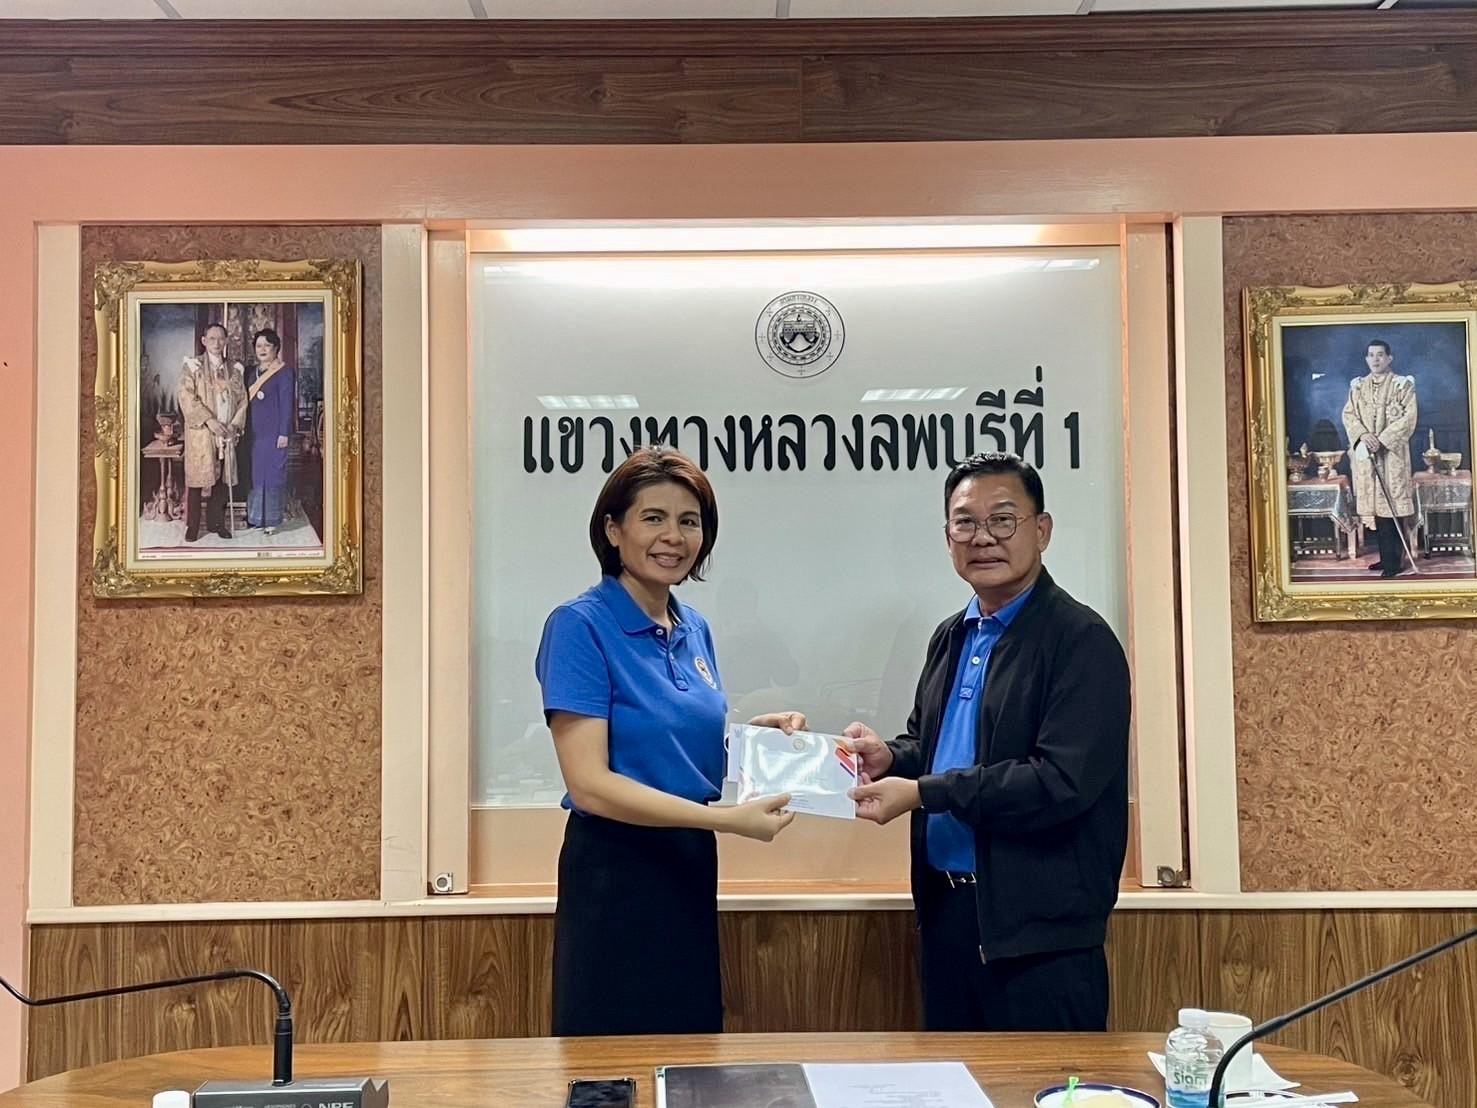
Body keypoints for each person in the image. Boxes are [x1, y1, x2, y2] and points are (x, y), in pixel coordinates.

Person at [845, 452, 1130, 1033]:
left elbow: (1059, 782)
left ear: (1041, 530)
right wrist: (890, 758)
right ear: (947, 536)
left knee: (1043, 1081)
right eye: (965, 522)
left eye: (1003, 519)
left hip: (1039, 938)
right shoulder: (952, 635)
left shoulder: (1081, 640)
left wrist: (924, 792)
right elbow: (935, 747)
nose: (983, 538)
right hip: (947, 916)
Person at [534, 445, 803, 1037]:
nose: (673, 537)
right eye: (653, 518)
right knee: (612, 1055)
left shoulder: (693, 626)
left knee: (690, 1046)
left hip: (688, 861)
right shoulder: (579, 625)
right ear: (613, 530)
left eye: (689, 521)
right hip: (615, 869)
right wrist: (726, 821)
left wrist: (756, 740)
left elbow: (678, 749)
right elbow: (591, 785)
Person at [1340, 339, 1418, 577]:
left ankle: (1395, 561)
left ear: (1389, 358)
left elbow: (1409, 418)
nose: (1375, 359)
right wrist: (1364, 435)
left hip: (1392, 456)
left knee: (1391, 508)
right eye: (1371, 355)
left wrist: (1381, 440)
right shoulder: (1358, 387)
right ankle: (1385, 558)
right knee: (1377, 511)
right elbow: (1349, 415)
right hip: (1368, 455)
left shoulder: (1402, 385)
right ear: (1366, 359)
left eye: (1380, 355)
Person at [177, 323, 248, 543]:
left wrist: (234, 425)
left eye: (221, 339)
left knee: (221, 481)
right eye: (212, 338)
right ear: (204, 340)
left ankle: (217, 523)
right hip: (202, 432)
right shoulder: (193, 366)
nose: (217, 343)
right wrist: (209, 420)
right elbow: (186, 397)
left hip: (226, 431)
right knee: (197, 480)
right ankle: (192, 526)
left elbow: (242, 400)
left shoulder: (234, 370)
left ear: (226, 341)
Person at [245, 328, 296, 535]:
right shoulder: (252, 374)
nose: (263, 349)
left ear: (276, 348)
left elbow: (287, 404)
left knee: (273, 474)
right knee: (258, 475)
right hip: (255, 434)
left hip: (275, 433)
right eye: (259, 345)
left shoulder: (284, 372)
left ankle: (272, 519)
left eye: (267, 345)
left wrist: (284, 432)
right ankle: (257, 517)